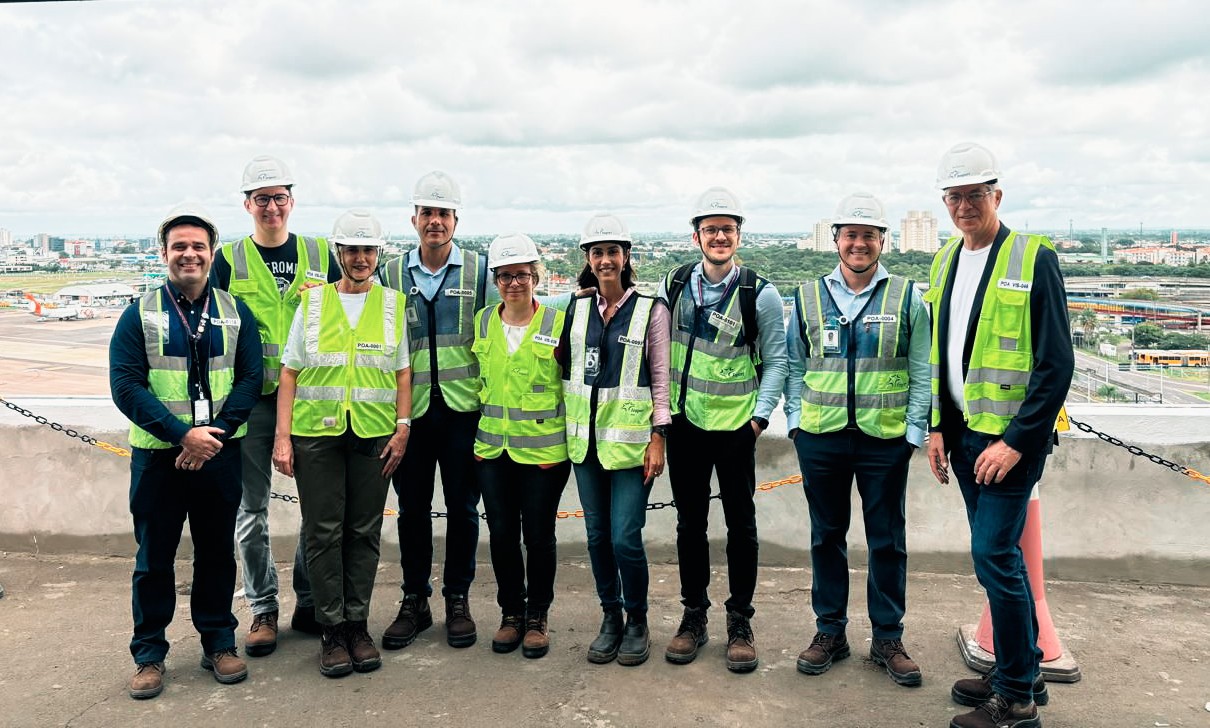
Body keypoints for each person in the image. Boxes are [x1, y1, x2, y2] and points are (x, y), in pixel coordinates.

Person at [926, 143, 1073, 728]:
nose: (965, 206)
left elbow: (1056, 364)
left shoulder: (1033, 258)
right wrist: (938, 426)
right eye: (955, 196)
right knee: (998, 558)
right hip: (962, 438)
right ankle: (1024, 666)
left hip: (1010, 444)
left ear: (997, 196)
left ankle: (1015, 699)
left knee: (993, 556)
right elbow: (939, 355)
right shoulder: (944, 262)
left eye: (975, 195)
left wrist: (1016, 440)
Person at [110, 203, 263, 699]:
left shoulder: (237, 312)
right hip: (159, 458)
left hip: (219, 456)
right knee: (154, 558)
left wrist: (211, 435)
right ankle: (149, 654)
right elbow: (126, 385)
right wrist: (183, 434)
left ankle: (219, 642)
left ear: (212, 253)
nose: (189, 254)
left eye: (198, 246)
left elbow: (250, 380)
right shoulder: (140, 314)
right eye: (180, 247)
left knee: (218, 553)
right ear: (164, 254)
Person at [784, 193, 931, 687]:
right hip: (821, 438)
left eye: (868, 235)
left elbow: (920, 370)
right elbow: (792, 363)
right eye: (850, 234)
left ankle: (888, 637)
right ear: (836, 241)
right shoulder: (807, 297)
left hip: (884, 441)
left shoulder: (906, 296)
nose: (859, 243)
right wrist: (796, 423)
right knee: (826, 538)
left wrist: (912, 432)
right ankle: (830, 632)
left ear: (882, 241)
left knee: (887, 541)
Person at [272, 210, 412, 678]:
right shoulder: (313, 305)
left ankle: (357, 624)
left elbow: (402, 371)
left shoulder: (392, 304)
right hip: (317, 436)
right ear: (338, 254)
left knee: (363, 532)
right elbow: (289, 371)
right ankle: (331, 629)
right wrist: (283, 438)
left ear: (378, 254)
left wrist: (403, 425)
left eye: (367, 250)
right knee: (323, 531)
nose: (359, 258)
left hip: (373, 435)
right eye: (351, 250)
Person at [211, 155, 341, 655]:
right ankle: (263, 608)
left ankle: (308, 601)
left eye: (279, 197)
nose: (271, 207)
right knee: (251, 511)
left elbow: (350, 310)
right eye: (261, 199)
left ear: (292, 201)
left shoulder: (319, 253)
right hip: (250, 402)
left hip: (311, 399)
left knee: (317, 507)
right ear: (247, 204)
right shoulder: (229, 259)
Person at [658, 187, 788, 673]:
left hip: (736, 428)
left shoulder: (761, 293)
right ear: (696, 236)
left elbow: (777, 362)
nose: (719, 236)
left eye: (727, 229)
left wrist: (758, 418)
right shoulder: (674, 284)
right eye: (710, 229)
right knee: (689, 525)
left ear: (738, 235)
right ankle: (694, 616)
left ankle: (740, 620)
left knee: (741, 527)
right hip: (686, 425)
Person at [378, 171, 488, 650]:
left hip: (466, 413)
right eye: (427, 213)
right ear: (414, 219)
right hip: (412, 416)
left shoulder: (480, 272)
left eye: (443, 214)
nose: (435, 222)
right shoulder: (390, 274)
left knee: (464, 510)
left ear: (456, 220)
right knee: (412, 511)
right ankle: (414, 600)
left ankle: (457, 599)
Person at [560, 213, 670, 667]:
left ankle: (637, 619)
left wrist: (659, 436)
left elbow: (661, 376)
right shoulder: (577, 307)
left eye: (613, 251)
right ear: (588, 258)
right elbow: (562, 367)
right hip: (585, 445)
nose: (605, 260)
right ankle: (610, 617)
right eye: (597, 252)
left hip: (630, 446)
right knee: (596, 536)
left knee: (626, 537)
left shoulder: (650, 309)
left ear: (626, 256)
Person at [472, 233, 571, 660]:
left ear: (536, 277)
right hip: (494, 452)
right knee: (501, 536)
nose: (515, 283)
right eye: (507, 276)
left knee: (539, 536)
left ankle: (537, 617)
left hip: (544, 454)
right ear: (496, 280)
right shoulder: (481, 322)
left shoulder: (557, 324)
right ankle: (510, 614)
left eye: (523, 275)